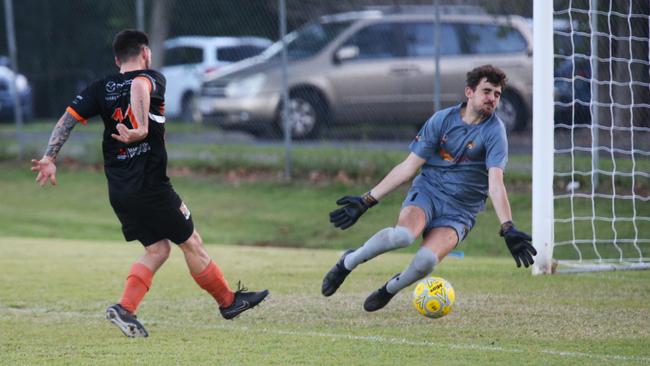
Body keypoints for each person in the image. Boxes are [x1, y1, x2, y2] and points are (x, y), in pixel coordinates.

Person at [31, 30, 269, 337]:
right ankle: (228, 302)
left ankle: (124, 308)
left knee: (158, 249)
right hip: (151, 186)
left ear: (117, 59)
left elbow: (67, 120)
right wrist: (141, 128)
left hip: (120, 190)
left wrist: (50, 157)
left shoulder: (100, 88)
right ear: (145, 53)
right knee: (191, 241)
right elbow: (139, 86)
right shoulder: (150, 77)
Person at [321, 65, 536, 312]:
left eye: (497, 94)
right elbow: (408, 167)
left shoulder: (495, 132)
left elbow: (495, 183)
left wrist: (507, 227)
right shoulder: (442, 120)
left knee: (425, 262)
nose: (492, 98)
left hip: (460, 211)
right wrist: (367, 200)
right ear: (469, 92)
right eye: (486, 91)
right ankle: (348, 262)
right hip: (428, 193)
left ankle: (389, 289)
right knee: (402, 236)